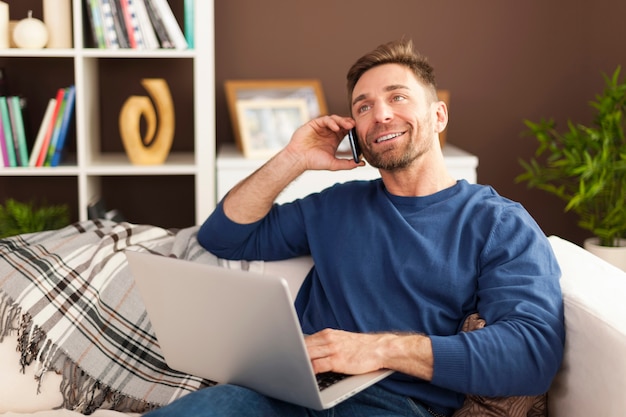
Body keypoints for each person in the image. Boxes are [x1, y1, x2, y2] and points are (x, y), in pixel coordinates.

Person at [148, 39, 565, 417]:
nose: (380, 114)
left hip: (399, 404)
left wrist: (376, 348)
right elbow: (222, 236)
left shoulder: (499, 222)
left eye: (397, 97)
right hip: (284, 394)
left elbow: (531, 355)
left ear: (439, 116)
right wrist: (294, 158)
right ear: (357, 134)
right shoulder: (335, 205)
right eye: (363, 107)